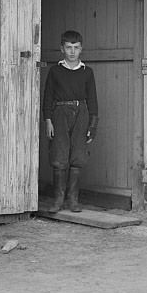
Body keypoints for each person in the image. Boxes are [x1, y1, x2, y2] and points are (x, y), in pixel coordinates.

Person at [42, 30, 99, 212]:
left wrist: (93, 126)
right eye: (68, 48)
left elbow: (93, 100)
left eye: (76, 48)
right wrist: (48, 120)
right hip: (60, 112)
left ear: (81, 49)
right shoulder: (55, 71)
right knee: (59, 155)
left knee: (78, 156)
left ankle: (73, 200)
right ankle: (58, 200)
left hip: (81, 112)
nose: (72, 51)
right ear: (62, 49)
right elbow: (48, 97)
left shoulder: (87, 72)